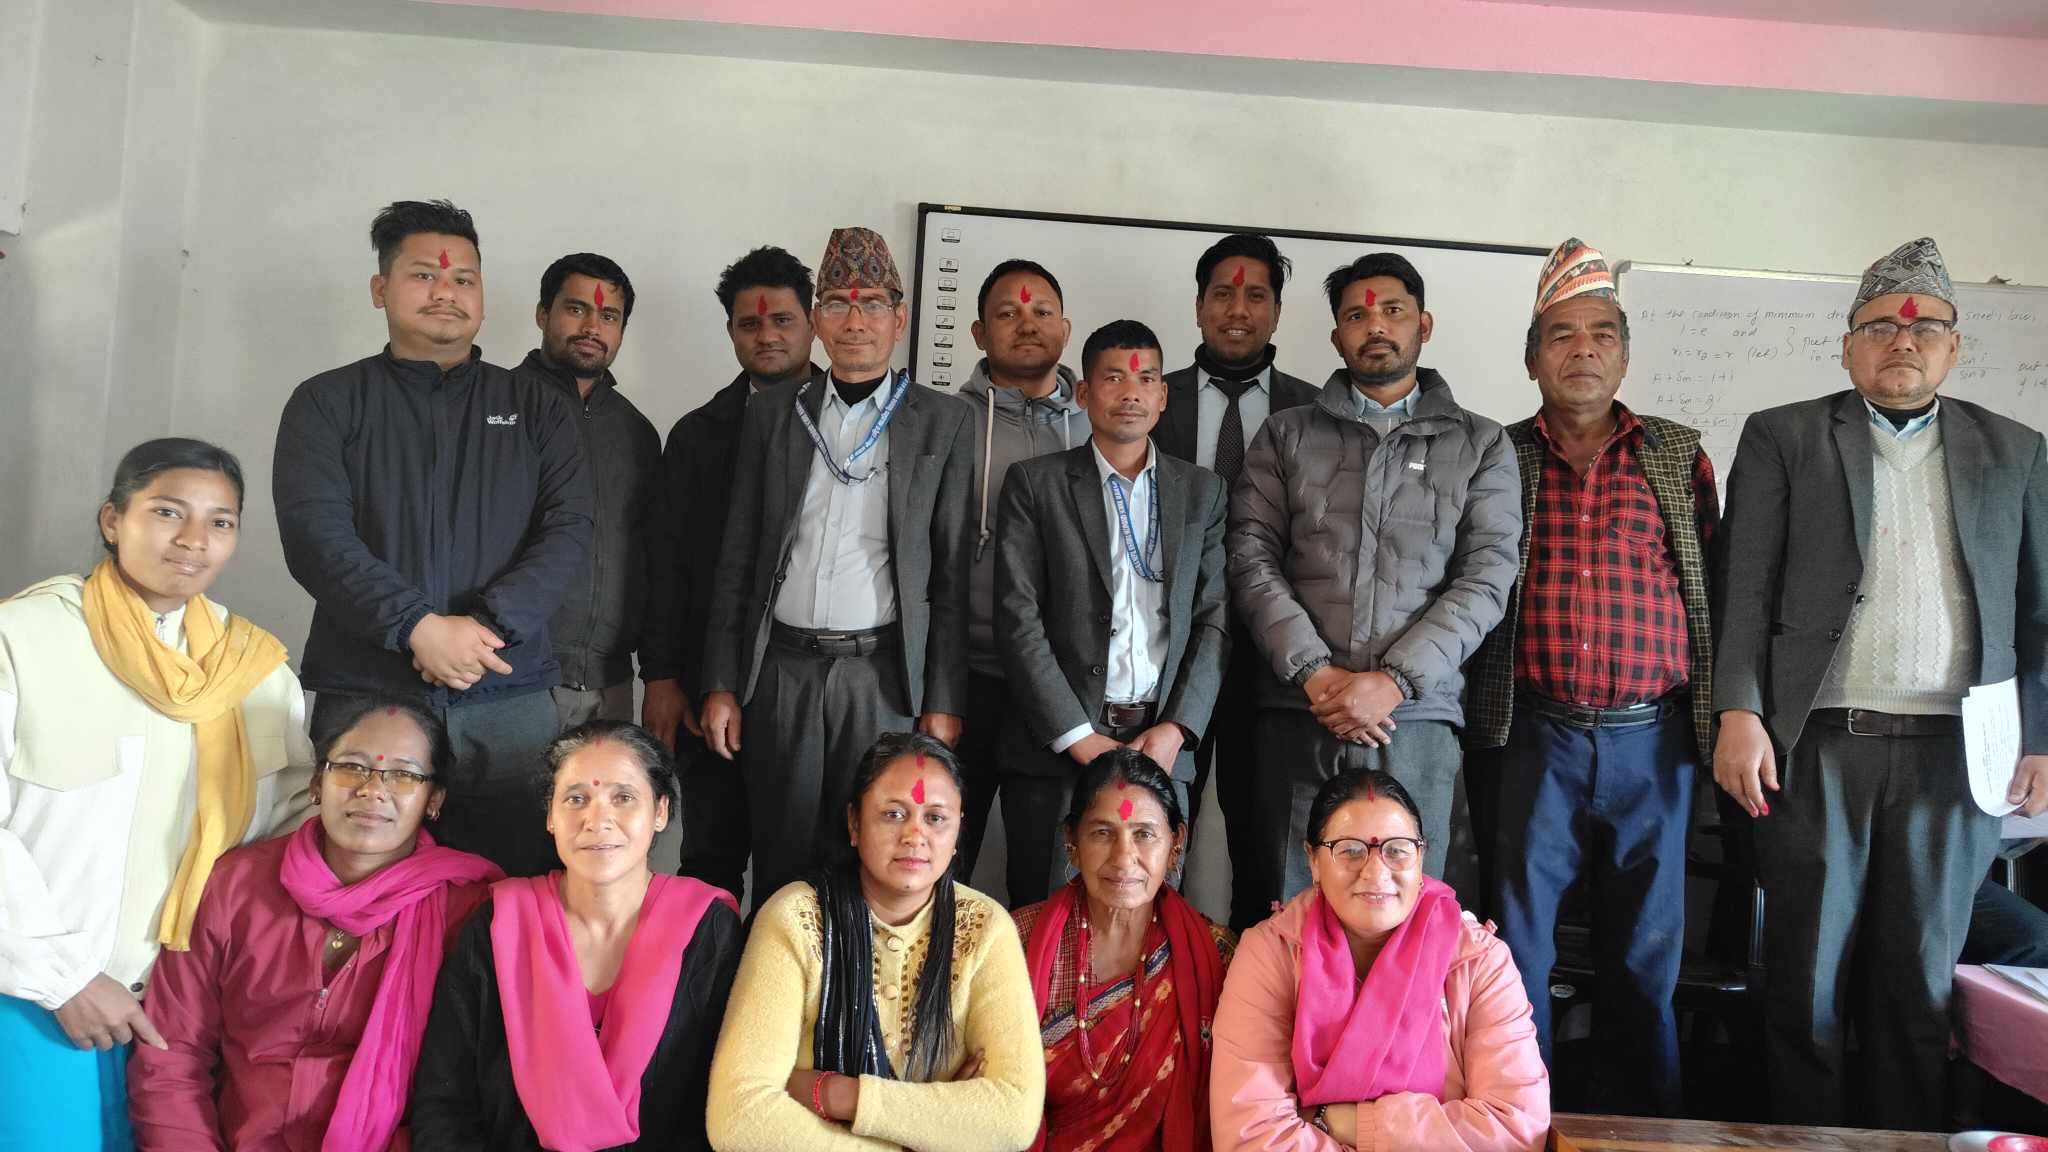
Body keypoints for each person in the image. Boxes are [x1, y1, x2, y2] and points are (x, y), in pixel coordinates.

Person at [1712, 236, 2048, 1129]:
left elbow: (2040, 612)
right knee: (1806, 979)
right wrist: (1740, 708)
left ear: (1954, 346)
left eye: (1926, 328)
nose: (1903, 342)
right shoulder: (1784, 436)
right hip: (1821, 747)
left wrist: (2042, 739)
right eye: (1880, 329)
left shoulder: (2015, 451)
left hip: (1955, 759)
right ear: (1847, 347)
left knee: (1919, 984)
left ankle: (1905, 1145)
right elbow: (1743, 588)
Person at [0, 438, 314, 1151]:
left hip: (184, 1017)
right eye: (168, 512)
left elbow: (286, 837)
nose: (194, 539)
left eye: (220, 521)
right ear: (113, 519)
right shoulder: (23, 638)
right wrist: (65, 979)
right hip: (35, 996)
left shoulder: (255, 670)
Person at [1463, 239, 1717, 1114]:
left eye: (1602, 333)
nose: (1583, 350)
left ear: (1625, 353)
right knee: (1516, 957)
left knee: (1646, 962)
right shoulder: (1497, 454)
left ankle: (1645, 1131)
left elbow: (1710, 585)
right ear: (1531, 357)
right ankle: (1519, 1125)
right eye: (1562, 335)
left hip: (1655, 745)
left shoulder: (1677, 455)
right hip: (1532, 738)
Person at [274, 198, 593, 878]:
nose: (446, 291)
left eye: (463, 279)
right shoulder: (327, 402)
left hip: (506, 691)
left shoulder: (539, 407)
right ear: (380, 288)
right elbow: (315, 538)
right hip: (368, 685)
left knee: (510, 884)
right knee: (362, 877)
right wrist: (416, 627)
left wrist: (483, 630)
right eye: (424, 275)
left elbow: (568, 532)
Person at [1229, 252, 1521, 910]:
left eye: (1393, 311)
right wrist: (1315, 674)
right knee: (1290, 912)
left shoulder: (1480, 444)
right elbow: (1250, 557)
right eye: (1357, 316)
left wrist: (1393, 683)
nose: (1376, 326)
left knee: (1405, 913)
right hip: (1302, 711)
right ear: (1337, 336)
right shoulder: (1286, 434)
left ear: (1424, 325)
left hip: (1415, 717)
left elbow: (1487, 576)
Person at [699, 227, 974, 902]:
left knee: (878, 855)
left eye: (873, 304)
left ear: (899, 319)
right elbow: (736, 557)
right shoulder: (774, 414)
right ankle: (783, 970)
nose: (856, 321)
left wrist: (942, 700)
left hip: (882, 675)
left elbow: (951, 576)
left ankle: (860, 976)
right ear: (817, 320)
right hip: (781, 672)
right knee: (784, 852)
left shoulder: (943, 422)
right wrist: (722, 683)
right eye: (839, 304)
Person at [129, 697, 500, 1150]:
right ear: (317, 783)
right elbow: (172, 1051)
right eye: (352, 767)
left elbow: (469, 1093)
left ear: (433, 799)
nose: (372, 789)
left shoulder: (465, 910)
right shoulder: (237, 886)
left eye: (404, 775)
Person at [410, 720, 743, 1150]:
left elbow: (720, 1105)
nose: (597, 820)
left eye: (623, 797)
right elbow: (445, 1102)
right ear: (551, 815)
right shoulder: (499, 922)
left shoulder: (707, 927)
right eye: (576, 799)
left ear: (660, 812)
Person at [705, 732, 1045, 1151]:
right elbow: (738, 1116)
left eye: (936, 818)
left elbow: (1013, 1118)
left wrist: (839, 1095)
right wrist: (937, 1129)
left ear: (958, 833)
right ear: (854, 823)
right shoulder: (795, 918)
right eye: (894, 814)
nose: (915, 835)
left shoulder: (985, 927)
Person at [994, 319, 1230, 901]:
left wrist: (1176, 730)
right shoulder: (1036, 485)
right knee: (1044, 918)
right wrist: (1076, 735)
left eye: (1146, 379)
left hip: (1160, 743)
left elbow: (1215, 620)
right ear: (1083, 391)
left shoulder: (1201, 492)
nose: (1131, 393)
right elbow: (1018, 617)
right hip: (1061, 747)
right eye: (1113, 378)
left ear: (1163, 395)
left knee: (1150, 919)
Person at [1209, 769, 1549, 1151]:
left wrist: (1340, 1121)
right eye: (1350, 850)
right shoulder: (1272, 952)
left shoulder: (1478, 960)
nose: (1375, 872)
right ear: (1313, 861)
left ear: (1421, 858)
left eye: (1397, 850)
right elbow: (1250, 1136)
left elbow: (1516, 1130)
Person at [642, 245, 821, 900]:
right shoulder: (699, 434)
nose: (767, 335)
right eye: (750, 324)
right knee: (710, 860)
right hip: (704, 680)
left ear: (813, 324)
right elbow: (667, 563)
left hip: (811, 683)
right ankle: (710, 970)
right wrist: (661, 675)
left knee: (801, 867)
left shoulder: (853, 426)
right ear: (731, 332)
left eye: (783, 320)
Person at [1157, 233, 1321, 933]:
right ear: (1198, 306)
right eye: (1222, 293)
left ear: (1277, 312)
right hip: (1168, 652)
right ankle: (1155, 974)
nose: (1237, 309)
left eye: (1256, 295)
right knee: (1157, 827)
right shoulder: (1148, 398)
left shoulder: (1315, 412)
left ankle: (1257, 974)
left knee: (1264, 841)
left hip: (1272, 660)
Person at [1014, 748, 1234, 1151]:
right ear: (1072, 841)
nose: (1123, 858)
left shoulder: (1217, 954)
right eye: (1102, 833)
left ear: (1176, 843)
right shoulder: (1016, 940)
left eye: (1144, 834)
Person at [954, 258, 1089, 892]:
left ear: (1066, 328)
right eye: (1007, 314)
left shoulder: (1101, 420)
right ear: (980, 334)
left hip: (1060, 684)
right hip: (964, 679)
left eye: (1041, 312)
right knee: (941, 864)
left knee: (1045, 876)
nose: (1026, 324)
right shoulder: (946, 422)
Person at [515, 253, 661, 729]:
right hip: (511, 676)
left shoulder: (637, 432)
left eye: (609, 316)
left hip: (610, 683)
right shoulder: (497, 406)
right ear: (543, 314)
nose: (592, 327)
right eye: (576, 309)